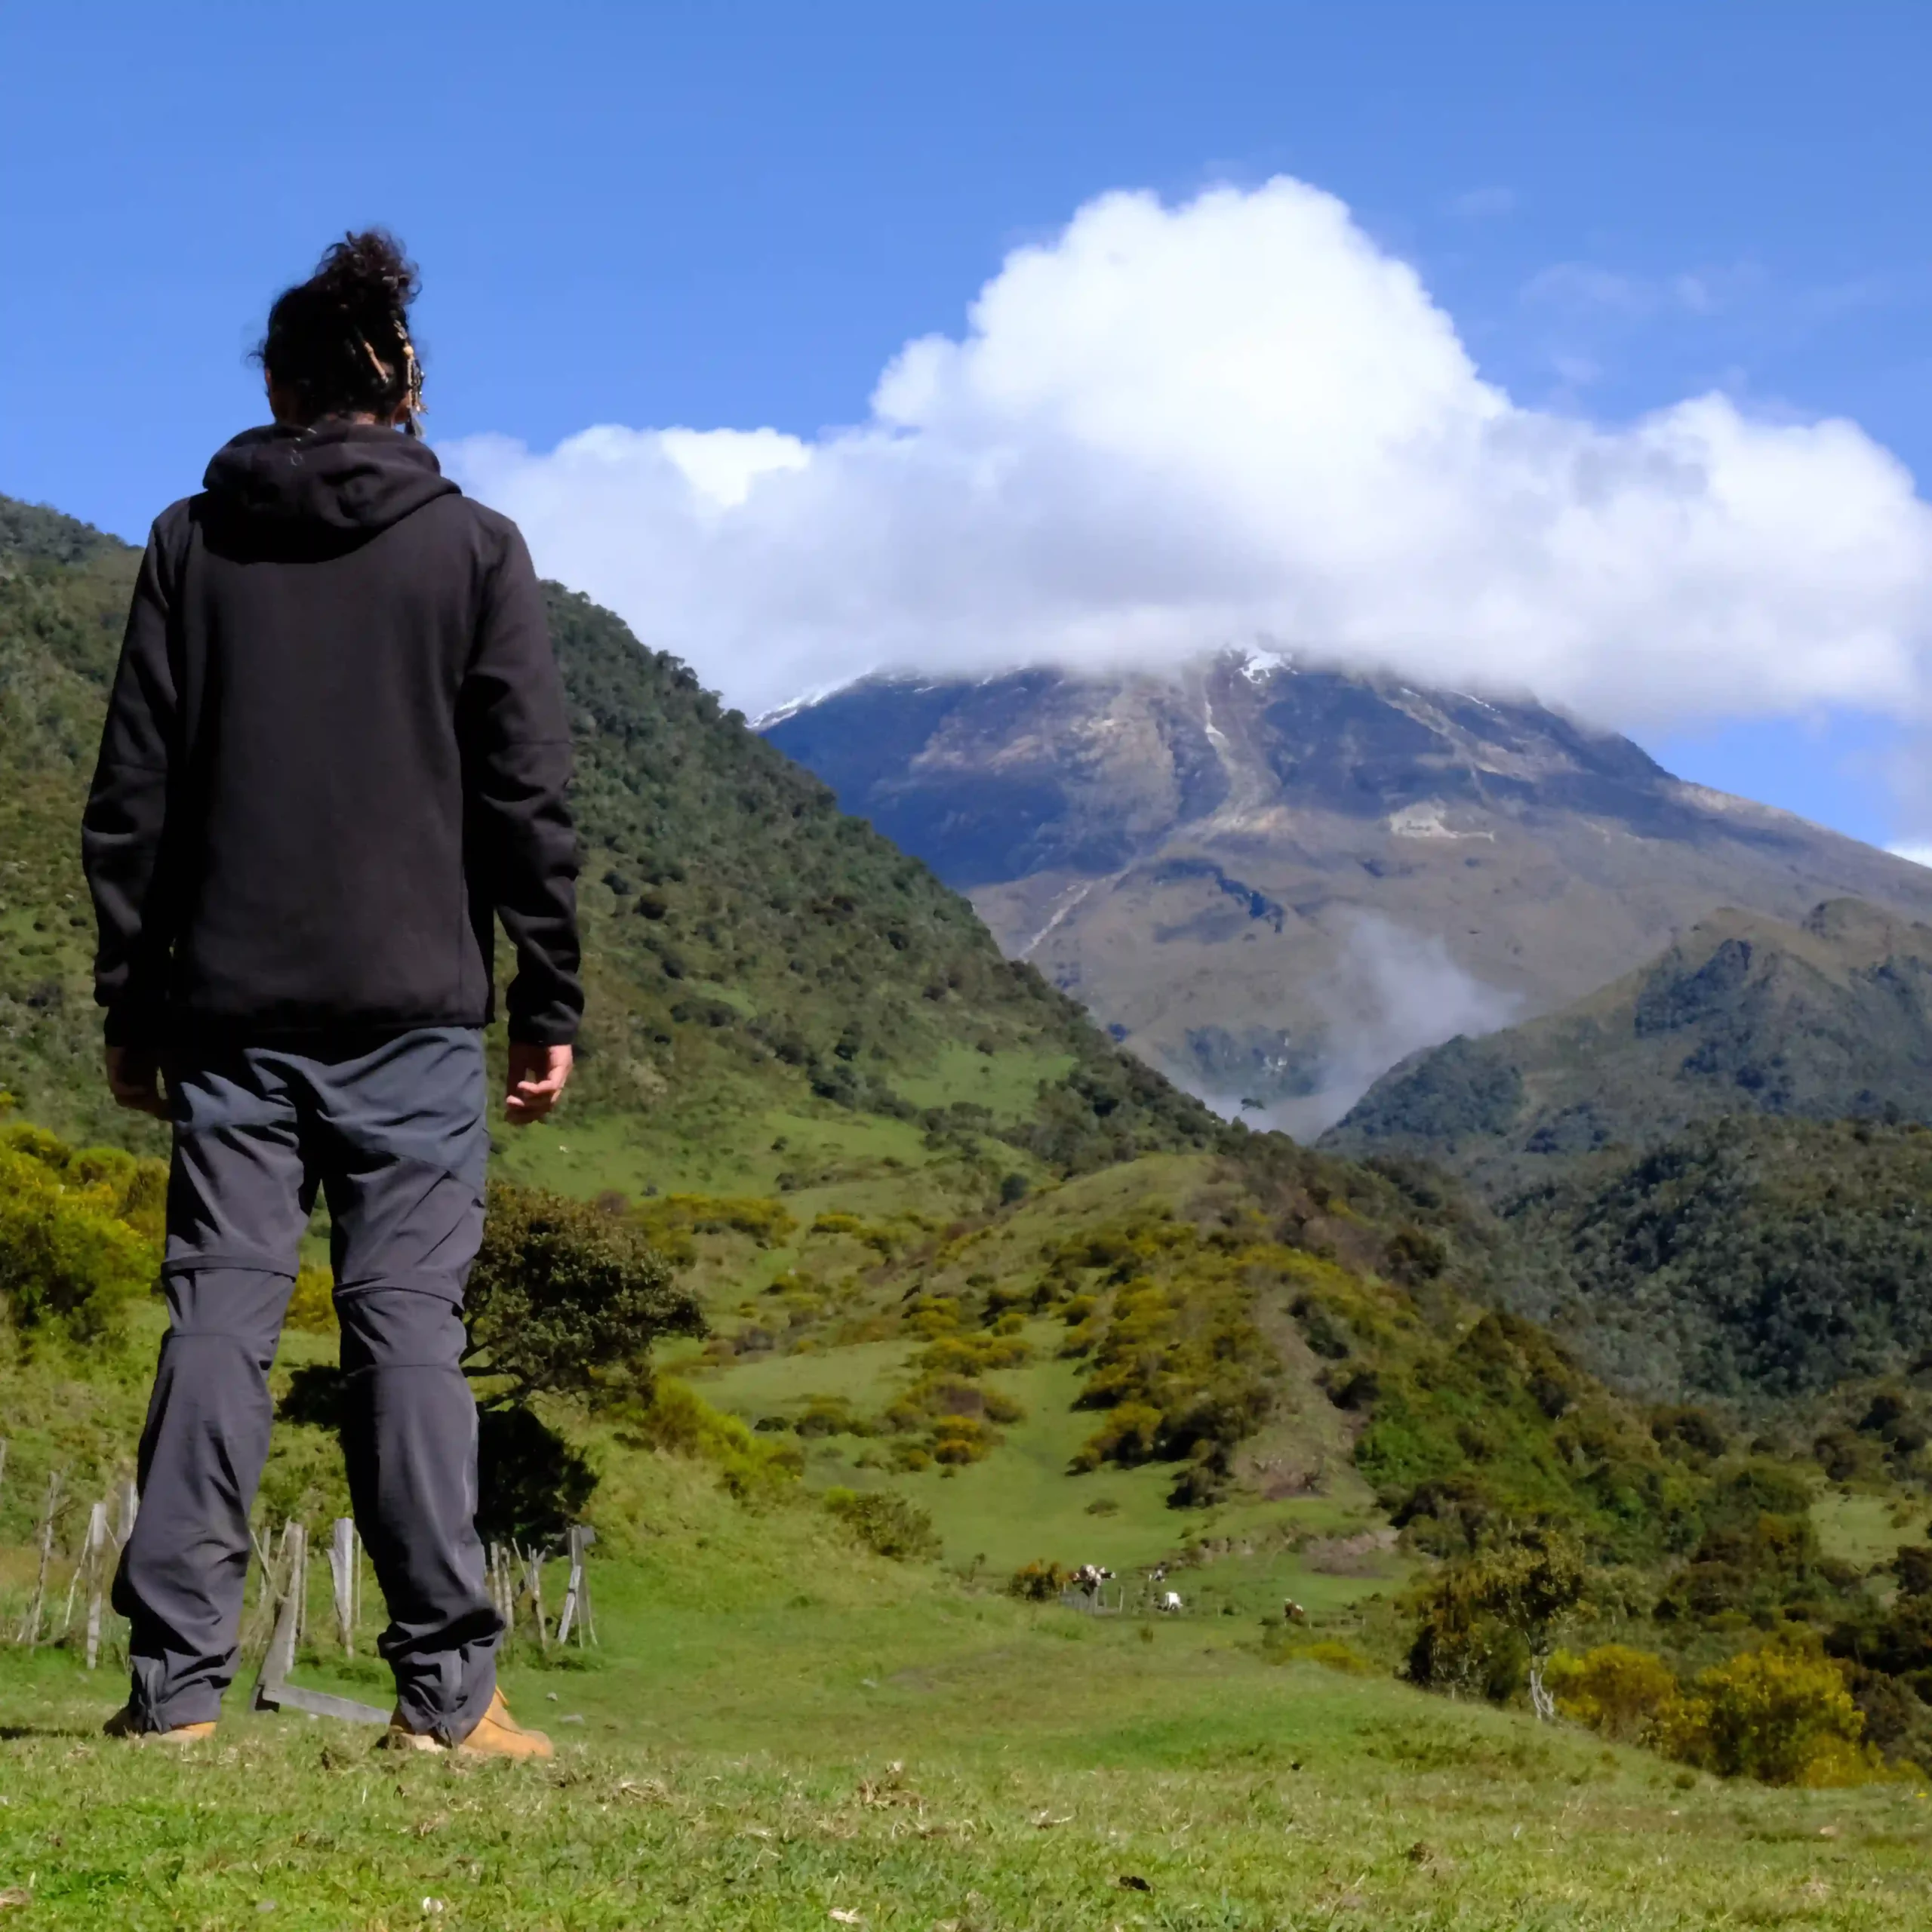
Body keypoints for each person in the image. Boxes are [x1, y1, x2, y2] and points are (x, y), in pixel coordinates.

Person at [82, 230, 581, 1757]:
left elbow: (133, 797)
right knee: (406, 1331)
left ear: (285, 386)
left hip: (230, 1007)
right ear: (402, 385)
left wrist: (133, 999)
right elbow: (526, 793)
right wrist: (545, 993)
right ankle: (445, 1699)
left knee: (217, 1319)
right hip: (417, 1009)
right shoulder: (473, 548)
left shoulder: (190, 542)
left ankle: (171, 1695)